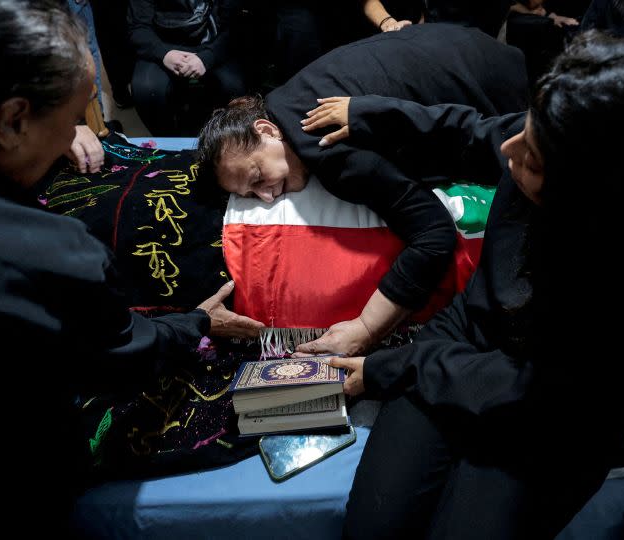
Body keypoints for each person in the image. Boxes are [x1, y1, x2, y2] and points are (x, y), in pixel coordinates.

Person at [0, 1, 262, 537]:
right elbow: (120, 355)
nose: (79, 135)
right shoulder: (45, 254)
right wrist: (196, 323)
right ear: (12, 121)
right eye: (76, 115)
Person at [302, 33, 624, 538]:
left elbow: (537, 391)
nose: (511, 150)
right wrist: (369, 113)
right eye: (526, 128)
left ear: (602, 199)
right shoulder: (553, 139)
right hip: (460, 346)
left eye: (533, 160)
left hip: (552, 423)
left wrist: (387, 368)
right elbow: (472, 131)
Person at [197, 23, 528, 356]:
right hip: (468, 44)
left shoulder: (327, 150)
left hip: (500, 95)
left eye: (257, 178)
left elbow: (433, 234)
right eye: (251, 195)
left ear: (266, 129)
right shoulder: (282, 100)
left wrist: (367, 328)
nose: (267, 197)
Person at [128, 0, 247, 135]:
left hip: (213, 43)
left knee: (234, 87)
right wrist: (164, 54)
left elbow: (234, 27)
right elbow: (138, 27)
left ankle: (223, 138)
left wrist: (208, 57)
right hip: (164, 43)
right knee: (146, 89)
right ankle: (168, 143)